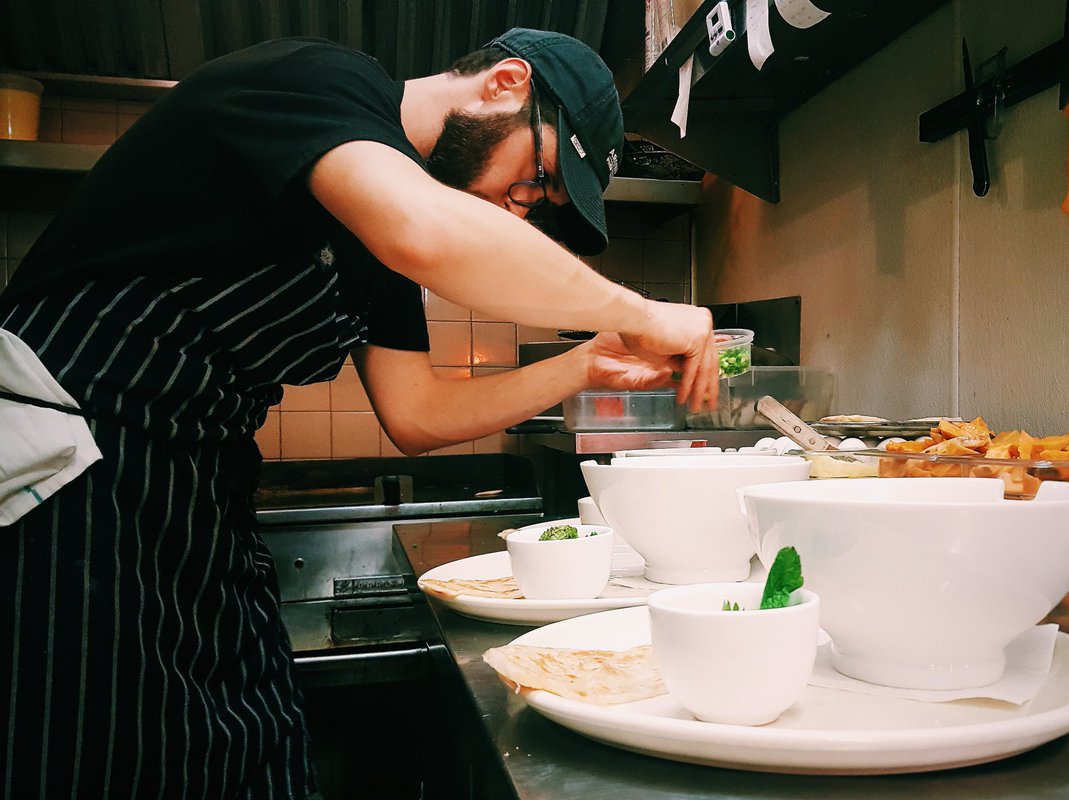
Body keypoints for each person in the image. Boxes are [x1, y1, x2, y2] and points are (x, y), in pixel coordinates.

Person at [0, 29, 717, 799]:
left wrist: (583, 363)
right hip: (69, 461)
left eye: (535, 204)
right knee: (99, 756)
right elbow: (424, 230)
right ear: (506, 83)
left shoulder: (384, 241)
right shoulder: (319, 80)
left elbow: (418, 413)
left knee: (252, 745)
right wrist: (644, 312)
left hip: (194, 483)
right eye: (535, 178)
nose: (518, 208)